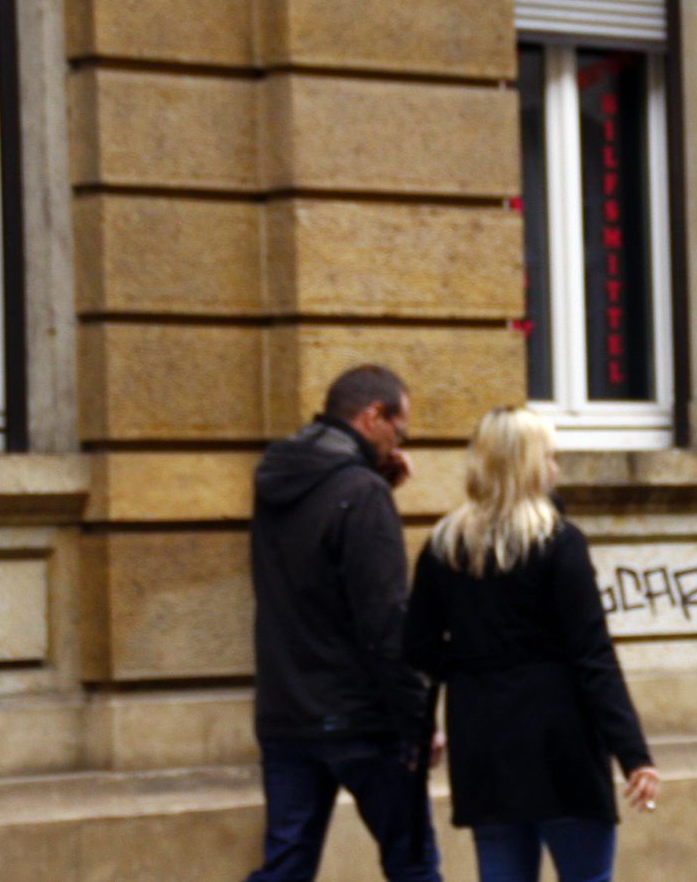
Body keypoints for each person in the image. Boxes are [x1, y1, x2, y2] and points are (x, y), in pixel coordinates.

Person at [406, 407, 660, 882]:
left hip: (483, 745)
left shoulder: (445, 546)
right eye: (550, 456)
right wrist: (633, 755)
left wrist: (471, 662)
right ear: (529, 464)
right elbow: (592, 656)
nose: (555, 468)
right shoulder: (559, 543)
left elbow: (417, 646)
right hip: (561, 745)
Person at [248, 364, 439, 882]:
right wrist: (418, 719)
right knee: (413, 865)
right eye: (400, 431)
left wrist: (373, 479)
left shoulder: (276, 478)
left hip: (286, 711)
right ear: (373, 416)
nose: (400, 443)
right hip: (361, 719)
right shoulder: (362, 494)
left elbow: (312, 574)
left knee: (286, 868)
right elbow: (386, 620)